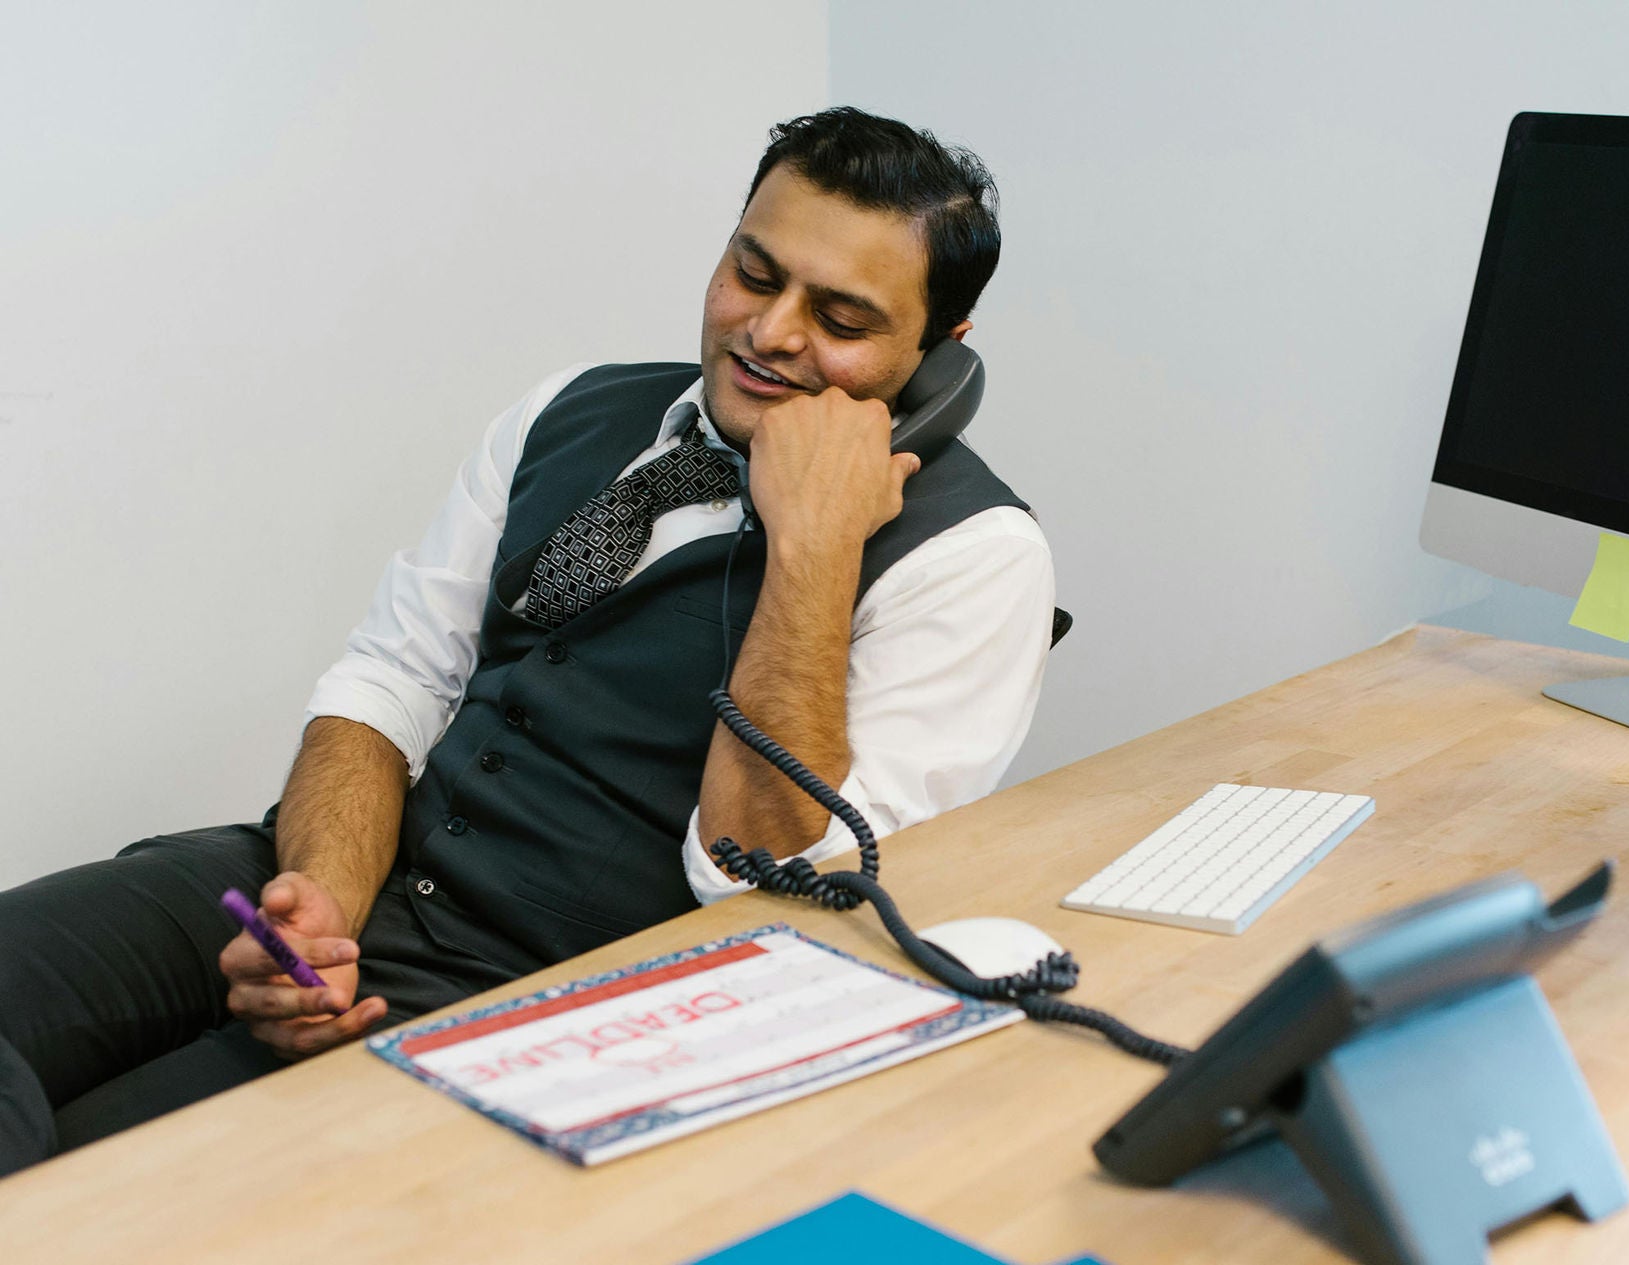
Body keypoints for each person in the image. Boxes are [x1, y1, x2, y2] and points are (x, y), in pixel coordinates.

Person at [0, 107, 1053, 1175]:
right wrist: (322, 901)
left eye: (839, 316)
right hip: (343, 871)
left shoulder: (973, 557)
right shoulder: (570, 408)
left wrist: (814, 548)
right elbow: (394, 679)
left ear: (934, 359)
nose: (770, 332)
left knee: (76, 1177)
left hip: (520, 990)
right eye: (753, 270)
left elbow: (767, 897)